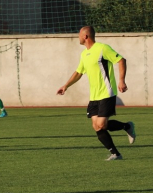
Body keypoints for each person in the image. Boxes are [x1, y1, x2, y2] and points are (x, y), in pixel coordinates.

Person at [57, 26, 136, 161]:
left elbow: (121, 60)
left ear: (85, 36)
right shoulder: (84, 54)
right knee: (97, 126)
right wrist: (66, 86)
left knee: (102, 124)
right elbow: (78, 72)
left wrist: (122, 81)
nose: (78, 37)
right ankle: (116, 153)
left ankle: (127, 126)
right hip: (94, 96)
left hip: (106, 92)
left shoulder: (102, 48)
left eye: (79, 34)